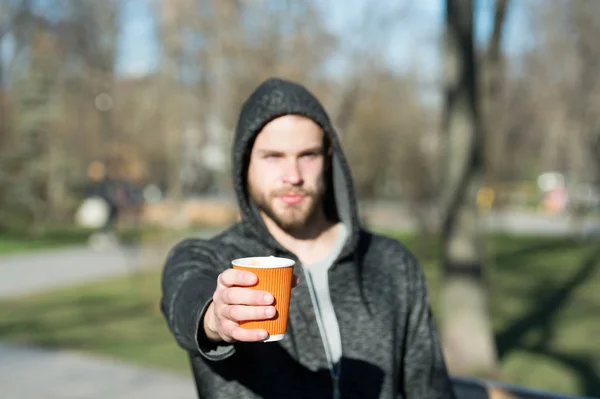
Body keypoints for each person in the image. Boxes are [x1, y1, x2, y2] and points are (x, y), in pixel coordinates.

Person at [160, 77, 456, 398]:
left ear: (329, 159)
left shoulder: (391, 264)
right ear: (244, 164)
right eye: (273, 156)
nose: (294, 176)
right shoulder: (209, 258)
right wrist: (215, 318)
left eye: (308, 155)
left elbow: (430, 388)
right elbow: (185, 295)